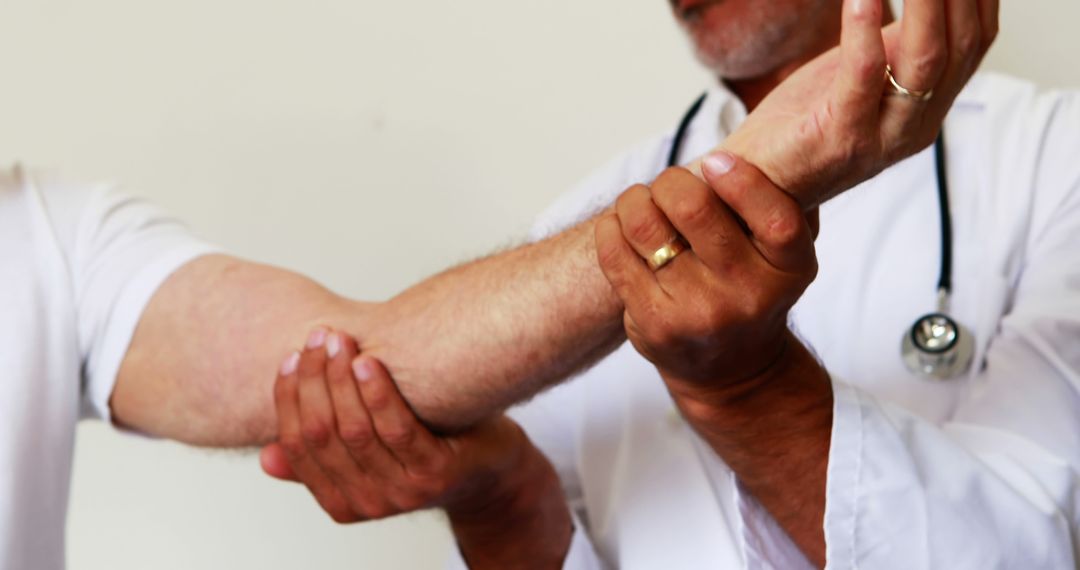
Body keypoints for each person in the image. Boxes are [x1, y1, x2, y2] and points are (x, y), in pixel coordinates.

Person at [1, 0, 984, 569]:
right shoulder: (592, 214)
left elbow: (365, 358)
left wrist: (760, 160)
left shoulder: (53, 237)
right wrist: (762, 165)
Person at [265, 0, 1080, 567]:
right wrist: (499, 501)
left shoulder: (1055, 156)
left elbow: (1040, 549)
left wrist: (749, 389)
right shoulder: (585, 222)